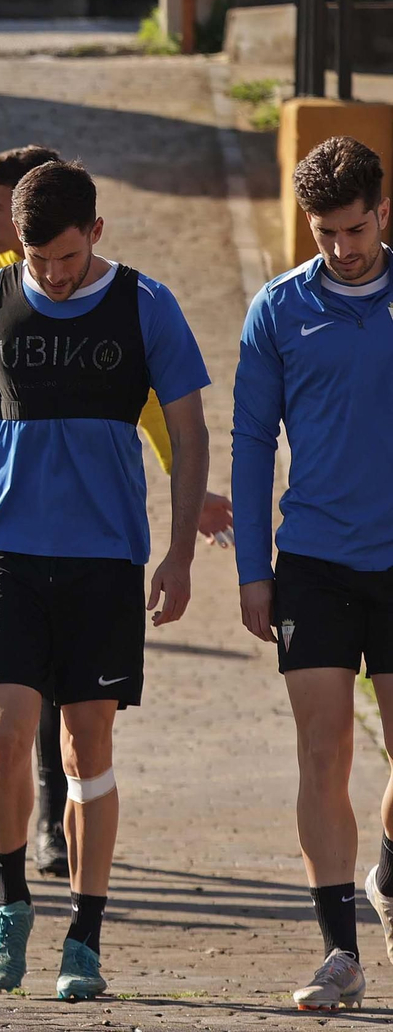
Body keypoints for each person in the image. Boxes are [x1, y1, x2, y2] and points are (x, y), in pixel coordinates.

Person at [0, 159, 210, 1000]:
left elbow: (190, 432)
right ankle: (10, 903)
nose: (51, 273)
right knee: (6, 731)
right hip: (9, 554)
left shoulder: (145, 304)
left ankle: (85, 929)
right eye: (38, 258)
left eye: (68, 258)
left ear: (98, 233)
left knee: (88, 747)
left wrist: (180, 553)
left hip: (108, 560)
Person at [233, 135, 393, 1011]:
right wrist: (255, 570)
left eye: (355, 228)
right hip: (316, 563)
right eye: (324, 233)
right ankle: (340, 953)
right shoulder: (278, 309)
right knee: (323, 750)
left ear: (383, 211)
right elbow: (253, 441)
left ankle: (390, 874)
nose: (341, 248)